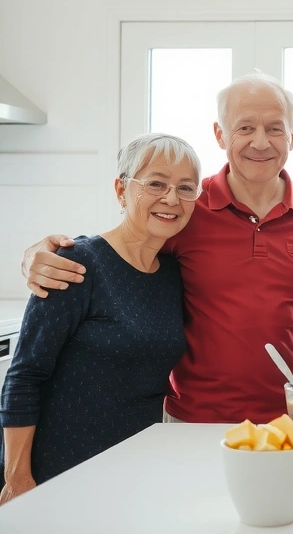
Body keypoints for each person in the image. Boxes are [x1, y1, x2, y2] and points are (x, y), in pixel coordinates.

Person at [20, 73, 293, 424]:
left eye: (275, 128)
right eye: (245, 128)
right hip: (195, 419)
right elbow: (122, 247)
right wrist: (39, 254)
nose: (261, 142)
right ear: (220, 135)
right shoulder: (186, 206)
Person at [0, 134, 201, 504]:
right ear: (121, 189)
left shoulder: (172, 273)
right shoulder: (77, 263)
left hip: (134, 470)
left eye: (185, 188)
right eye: (156, 183)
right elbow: (25, 375)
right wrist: (17, 479)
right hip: (58, 471)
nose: (171, 198)